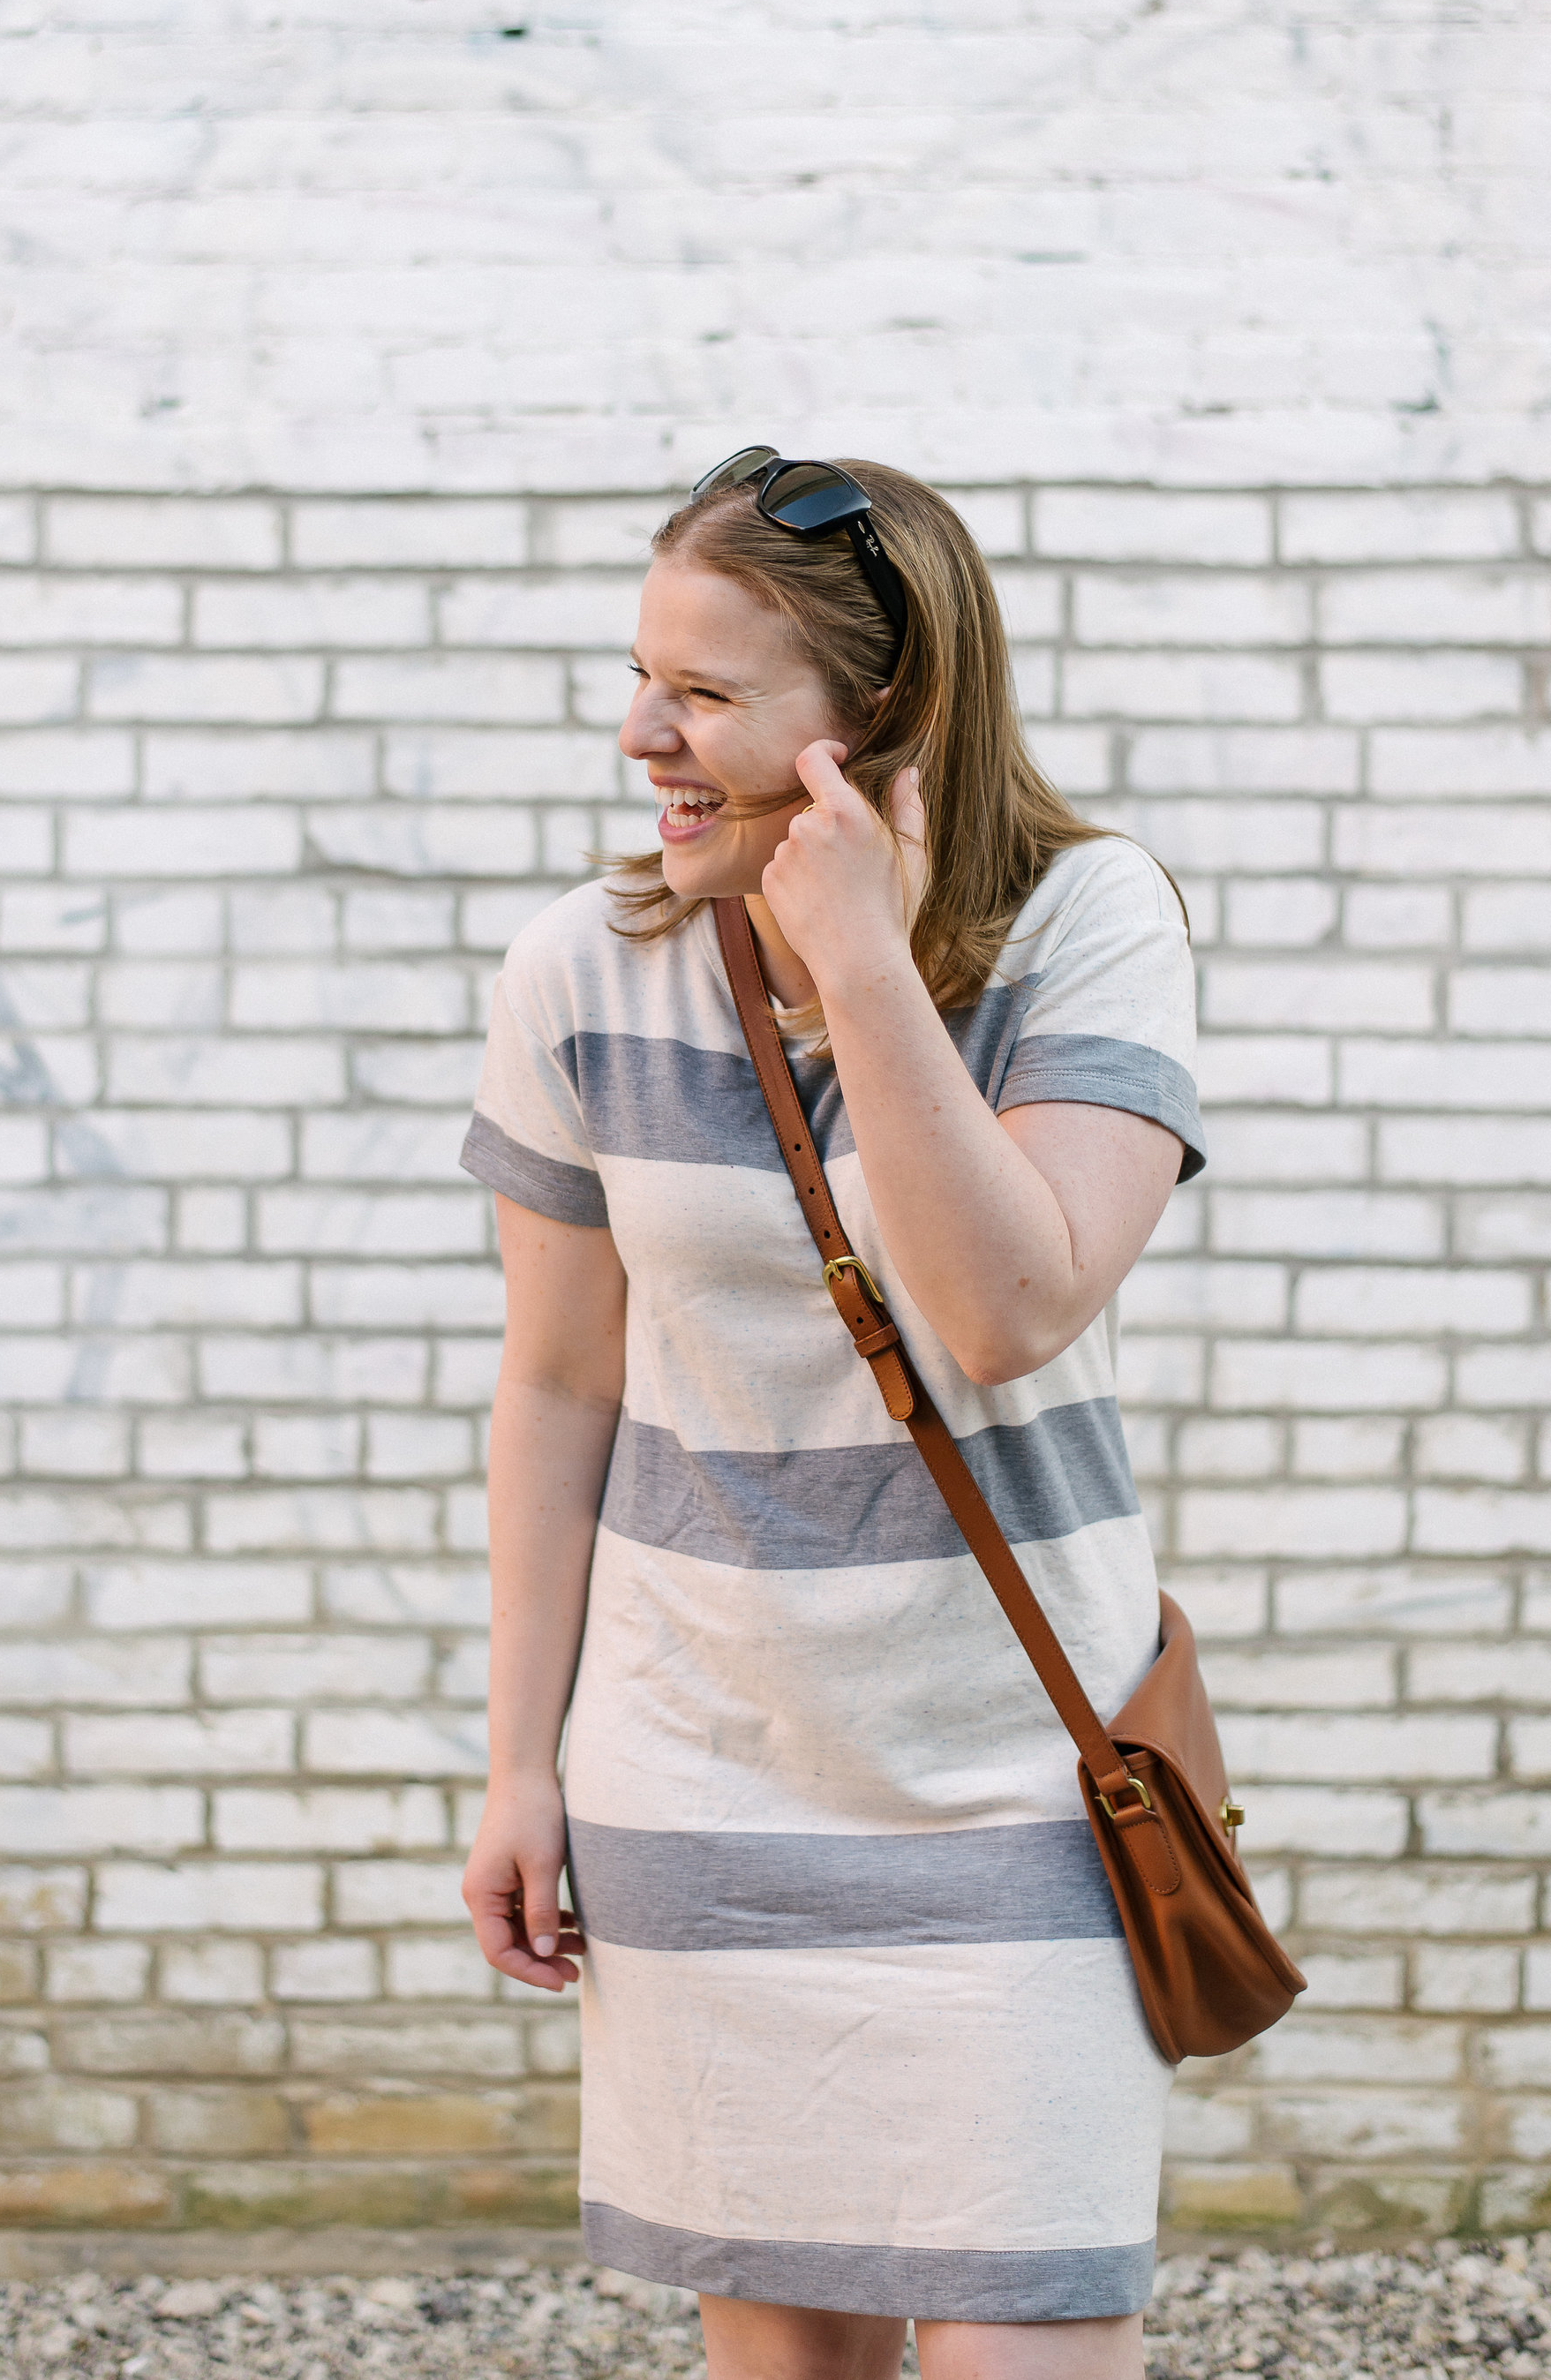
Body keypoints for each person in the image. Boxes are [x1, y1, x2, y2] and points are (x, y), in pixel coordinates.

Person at [458, 452, 1203, 2380]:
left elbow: (1009, 1305)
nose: (641, 734)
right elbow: (556, 1387)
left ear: (876, 722)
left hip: (1016, 1793)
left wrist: (861, 964)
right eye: (642, 676)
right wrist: (516, 1763)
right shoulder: (582, 973)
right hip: (704, 1777)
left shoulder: (1083, 925)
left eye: (700, 694)